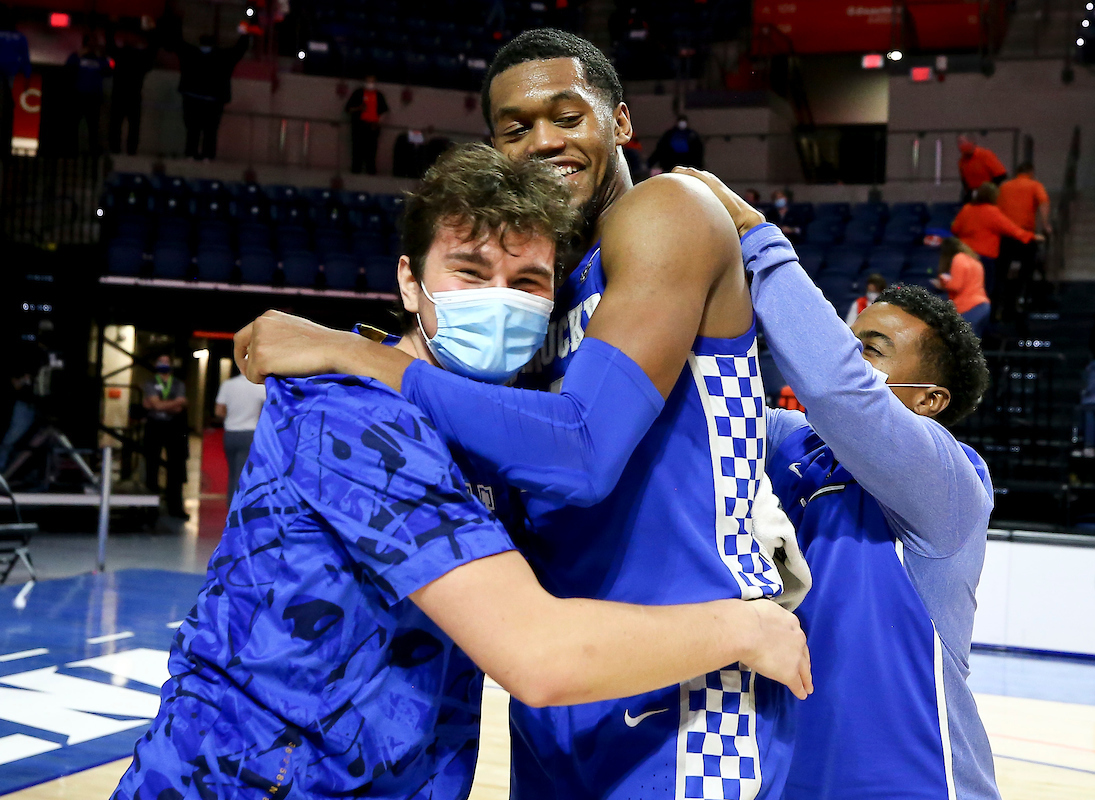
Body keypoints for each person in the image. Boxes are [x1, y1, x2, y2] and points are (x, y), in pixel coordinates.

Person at [113, 145, 811, 800]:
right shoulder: (356, 416)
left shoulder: (484, 431)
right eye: (472, 273)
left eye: (527, 281)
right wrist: (746, 629)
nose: (500, 298)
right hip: (255, 779)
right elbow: (536, 655)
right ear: (410, 283)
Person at [678, 166, 999, 800]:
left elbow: (834, 386)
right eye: (847, 344)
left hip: (917, 785)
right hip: (787, 779)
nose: (849, 357)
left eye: (870, 350)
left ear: (930, 398)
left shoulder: (951, 479)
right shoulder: (795, 445)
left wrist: (753, 235)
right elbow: (696, 405)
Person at [951, 182, 1042, 300]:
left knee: (964, 291)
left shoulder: (966, 209)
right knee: (984, 291)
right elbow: (1012, 230)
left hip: (964, 256)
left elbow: (955, 229)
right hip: (983, 258)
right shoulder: (992, 212)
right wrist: (1032, 236)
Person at [171, 30, 249, 160]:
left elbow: (177, 42)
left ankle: (191, 154)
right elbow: (239, 50)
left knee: (193, 131)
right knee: (210, 132)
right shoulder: (223, 57)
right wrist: (244, 33)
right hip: (213, 101)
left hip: (192, 98)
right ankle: (207, 156)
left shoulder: (190, 53)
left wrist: (176, 19)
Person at [995, 161, 1051, 317]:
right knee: (1027, 271)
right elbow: (1044, 203)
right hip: (1025, 235)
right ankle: (1022, 301)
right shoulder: (1034, 185)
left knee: (1002, 272)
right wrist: (1046, 225)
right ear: (1031, 172)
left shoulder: (1005, 186)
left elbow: (996, 209)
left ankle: (1002, 305)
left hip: (1006, 235)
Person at [142, 353, 188, 518]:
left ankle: (175, 508)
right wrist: (170, 404)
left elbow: (178, 406)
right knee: (151, 466)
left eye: (167, 361)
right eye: (161, 361)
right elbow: (153, 404)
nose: (164, 364)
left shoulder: (178, 384)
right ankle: (150, 509)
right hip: (154, 427)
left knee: (175, 468)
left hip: (173, 428)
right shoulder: (150, 383)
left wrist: (159, 405)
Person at [213, 362, 266, 503]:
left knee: (232, 472)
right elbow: (266, 411)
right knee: (243, 474)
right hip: (249, 434)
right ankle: (238, 508)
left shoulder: (228, 385)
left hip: (230, 434)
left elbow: (219, 411)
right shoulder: (260, 386)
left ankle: (231, 504)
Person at [107, 20, 157, 155]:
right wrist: (152, 31)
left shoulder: (120, 55)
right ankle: (131, 150)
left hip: (119, 95)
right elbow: (152, 51)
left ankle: (115, 148)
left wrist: (112, 24)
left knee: (116, 125)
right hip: (133, 96)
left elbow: (110, 44)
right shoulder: (140, 58)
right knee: (133, 126)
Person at [933, 237, 991, 337]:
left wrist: (943, 283)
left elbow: (956, 286)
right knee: (974, 344)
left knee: (962, 343)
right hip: (983, 306)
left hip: (969, 307)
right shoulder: (975, 260)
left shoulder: (958, 258)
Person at [64, 34, 110, 155]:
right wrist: (78, 55)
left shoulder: (100, 59)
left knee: (93, 127)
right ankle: (71, 151)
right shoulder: (77, 56)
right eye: (90, 42)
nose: (92, 45)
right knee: (73, 125)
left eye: (94, 43)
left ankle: (93, 151)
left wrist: (103, 56)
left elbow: (108, 71)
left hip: (94, 97)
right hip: (79, 95)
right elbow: (68, 68)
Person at [0, 8, 30, 160]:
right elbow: (25, 59)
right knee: (6, 107)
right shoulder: (20, 37)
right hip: (9, 74)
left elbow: (25, 59)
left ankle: (4, 146)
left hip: (8, 75)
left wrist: (26, 75)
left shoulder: (19, 37)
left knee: (6, 107)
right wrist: (26, 77)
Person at [345, 74, 388, 175]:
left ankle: (371, 172)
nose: (370, 84)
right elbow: (348, 109)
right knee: (357, 151)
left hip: (373, 127)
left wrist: (378, 122)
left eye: (372, 81)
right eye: (368, 81)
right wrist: (359, 108)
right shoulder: (358, 93)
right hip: (359, 127)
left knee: (371, 152)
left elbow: (384, 111)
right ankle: (356, 171)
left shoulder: (379, 95)